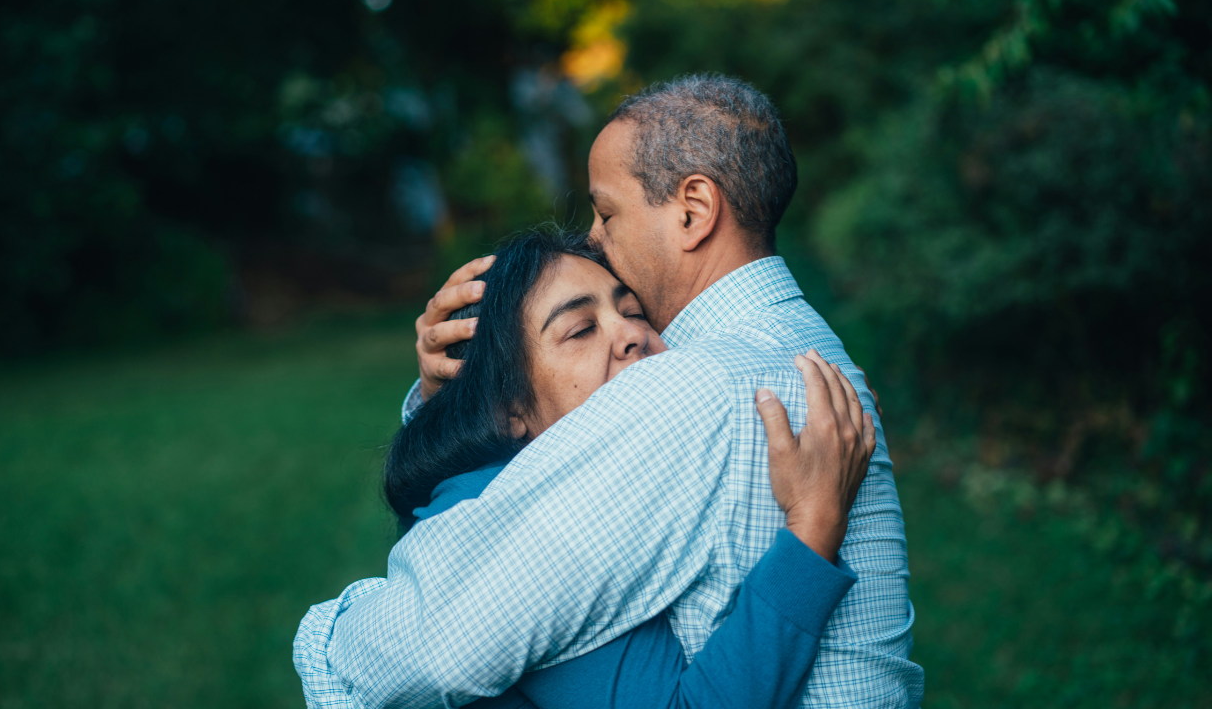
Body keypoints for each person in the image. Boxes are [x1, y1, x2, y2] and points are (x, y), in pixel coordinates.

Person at [297, 74, 922, 708]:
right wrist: (455, 390)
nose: (594, 238)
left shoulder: (692, 387)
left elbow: (428, 647)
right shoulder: (798, 347)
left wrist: (329, 635)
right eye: (580, 327)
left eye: (607, 211)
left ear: (693, 210)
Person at [375, 229, 872, 708]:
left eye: (633, 311)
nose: (633, 332)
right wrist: (813, 526)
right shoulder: (534, 535)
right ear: (509, 410)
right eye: (581, 330)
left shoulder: (582, 484)